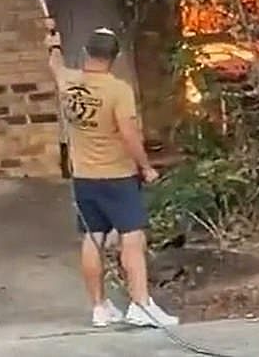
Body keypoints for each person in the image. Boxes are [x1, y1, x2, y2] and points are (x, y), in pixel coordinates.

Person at [44, 20, 179, 329]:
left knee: (93, 239)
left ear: (86, 52)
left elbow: (55, 66)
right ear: (114, 57)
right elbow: (130, 135)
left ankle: (99, 308)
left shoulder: (69, 82)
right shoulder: (118, 90)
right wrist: (145, 166)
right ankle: (141, 305)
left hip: (84, 178)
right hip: (117, 177)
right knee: (132, 238)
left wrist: (53, 43)